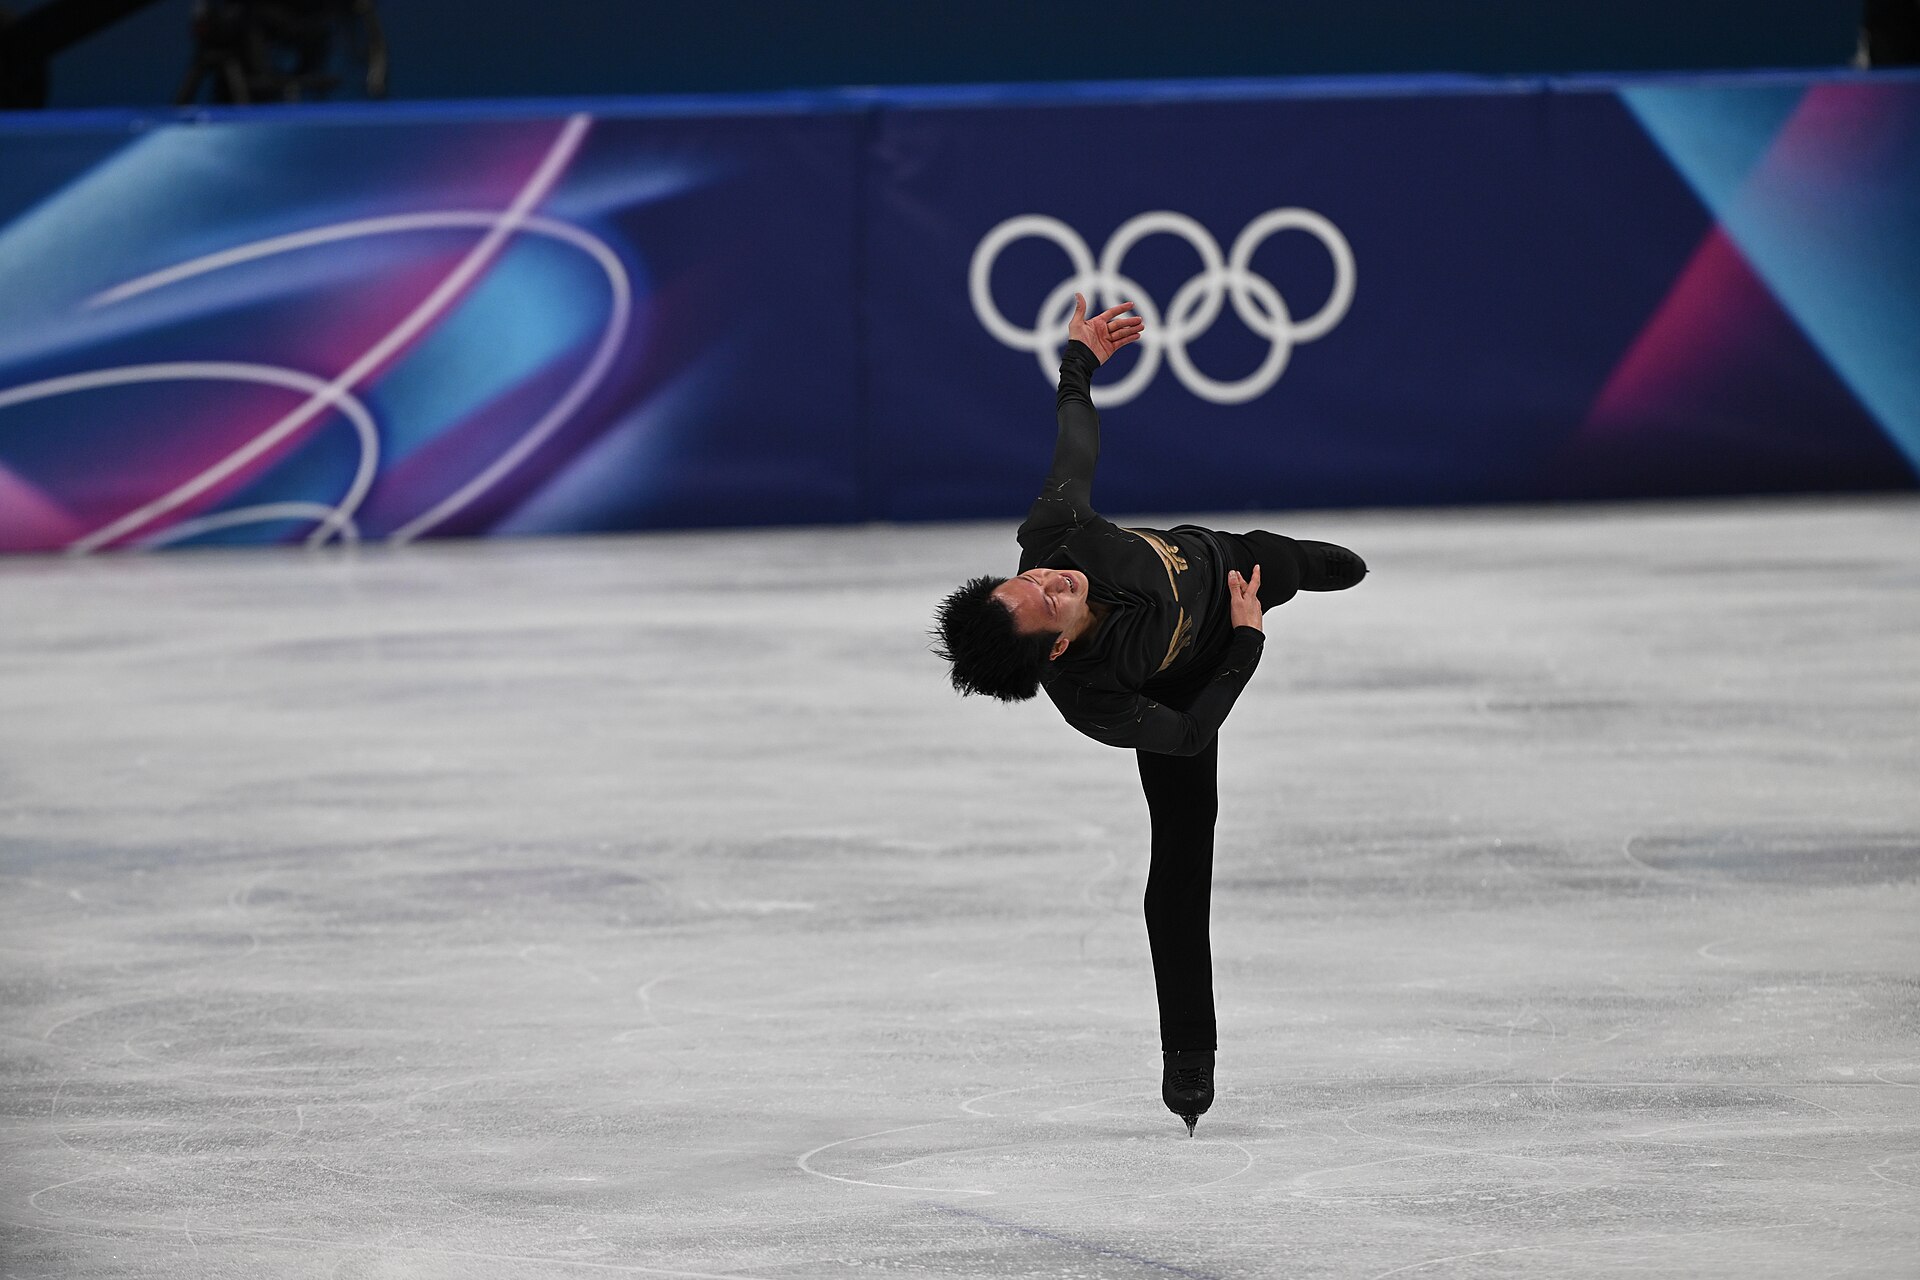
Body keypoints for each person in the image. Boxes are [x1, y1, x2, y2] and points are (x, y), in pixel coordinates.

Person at [932, 293, 1367, 1135]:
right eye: (1045, 603)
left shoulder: (1052, 536)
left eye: (1028, 580)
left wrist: (1079, 363)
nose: (1051, 582)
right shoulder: (1093, 699)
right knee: (1180, 867)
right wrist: (1245, 644)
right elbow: (1193, 730)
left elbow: (1075, 446)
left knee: (1308, 561)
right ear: (1054, 650)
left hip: (1223, 560)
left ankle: (1306, 564)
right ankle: (1189, 1054)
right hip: (1200, 662)